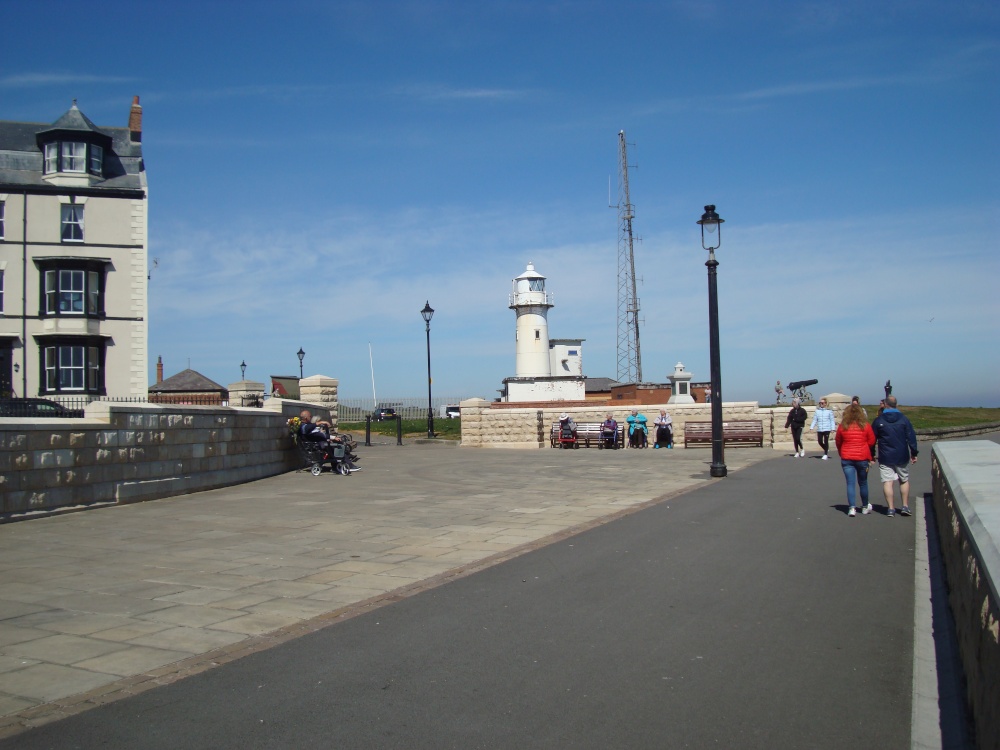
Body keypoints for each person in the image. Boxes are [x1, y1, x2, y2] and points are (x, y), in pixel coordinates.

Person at [871, 396, 918, 517]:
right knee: (904, 480)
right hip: (902, 455)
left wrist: (871, 454)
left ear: (885, 404)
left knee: (888, 482)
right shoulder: (904, 419)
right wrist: (914, 453)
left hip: (885, 456)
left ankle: (891, 508)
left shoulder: (879, 420)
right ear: (896, 404)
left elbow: (871, 440)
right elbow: (911, 437)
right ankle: (905, 506)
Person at [835, 403, 876, 517]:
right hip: (862, 457)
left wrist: (842, 451)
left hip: (847, 457)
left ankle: (852, 508)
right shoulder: (866, 425)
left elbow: (838, 441)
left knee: (850, 483)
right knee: (863, 483)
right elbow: (872, 441)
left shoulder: (843, 426)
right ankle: (864, 506)